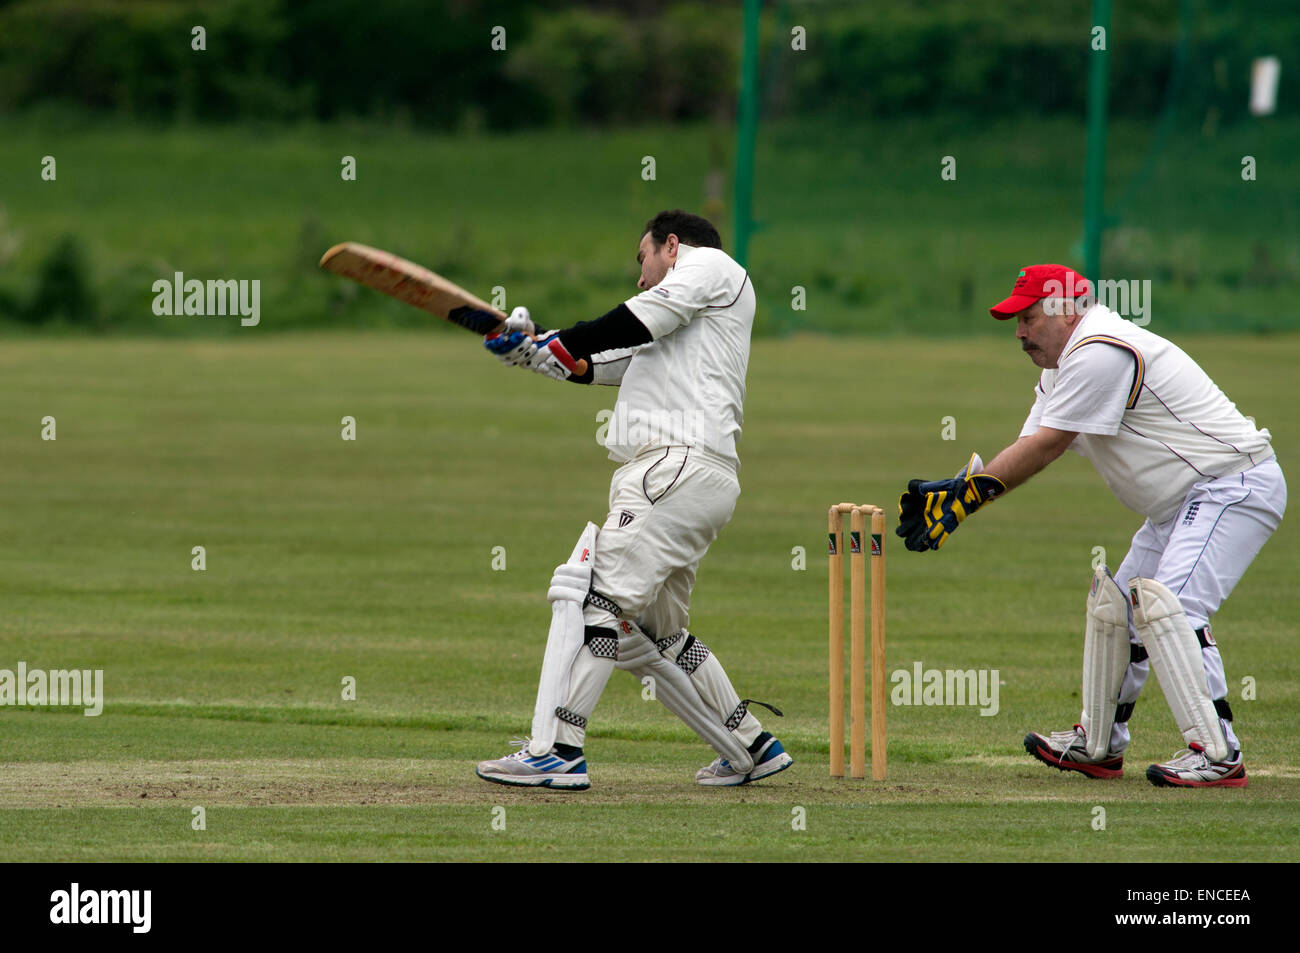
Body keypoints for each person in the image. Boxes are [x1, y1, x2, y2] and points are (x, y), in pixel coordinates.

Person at [896, 264, 1285, 788]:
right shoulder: (1063, 367)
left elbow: (1047, 446)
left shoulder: (1100, 351)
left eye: (1029, 317)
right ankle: (1098, 747)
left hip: (1231, 486)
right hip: (1181, 503)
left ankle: (1217, 753)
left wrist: (968, 498)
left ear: (1064, 309)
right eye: (1016, 321)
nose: (1020, 332)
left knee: (1171, 607)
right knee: (1116, 608)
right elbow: (1022, 451)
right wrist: (961, 496)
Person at [472, 209, 791, 790]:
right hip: (698, 477)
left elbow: (630, 321)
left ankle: (561, 750)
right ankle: (752, 743)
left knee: (600, 603)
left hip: (674, 469)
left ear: (673, 246)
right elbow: (596, 363)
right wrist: (530, 351)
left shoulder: (713, 268)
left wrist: (557, 336)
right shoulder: (680, 328)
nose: (640, 277)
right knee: (665, 631)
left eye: (642, 259)